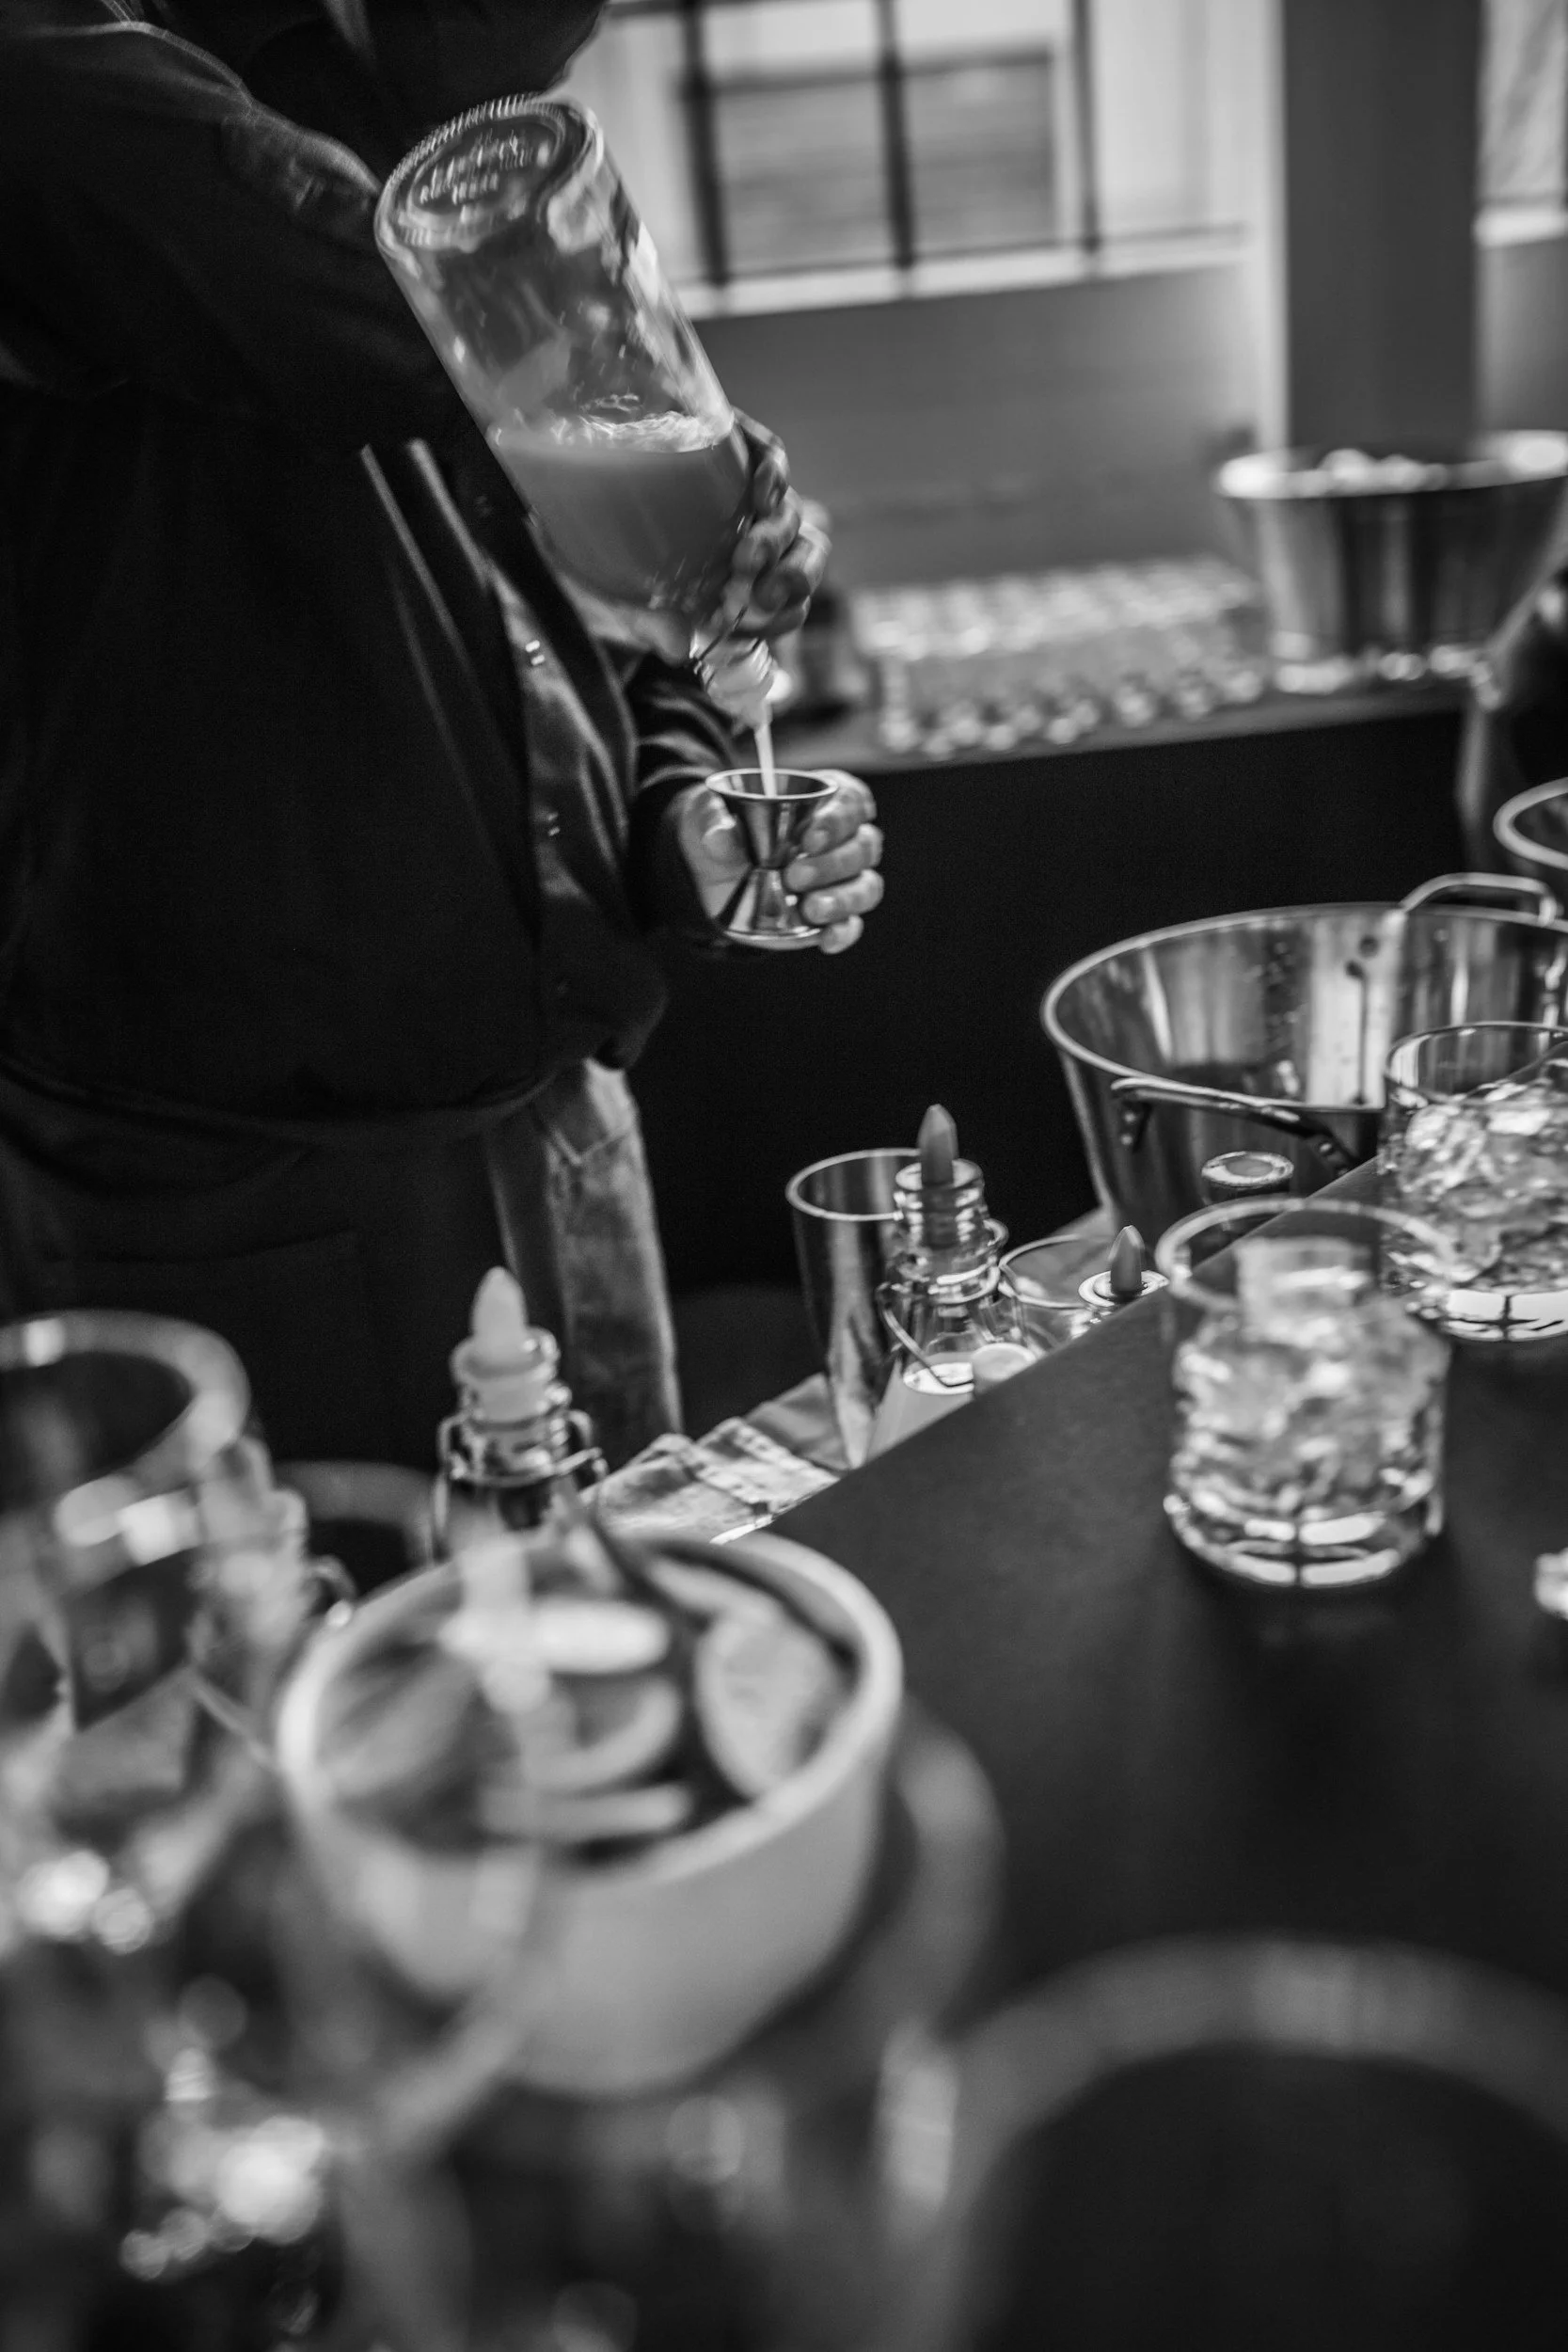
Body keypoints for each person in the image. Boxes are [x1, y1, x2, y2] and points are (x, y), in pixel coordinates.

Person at [0, 0, 885, 1472]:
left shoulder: (385, 107)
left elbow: (580, 607)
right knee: (352, 1666)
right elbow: (412, 327)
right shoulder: (58, 90)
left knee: (613, 1627)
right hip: (252, 1186)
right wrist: (667, 424)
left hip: (556, 1118)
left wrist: (682, 817)